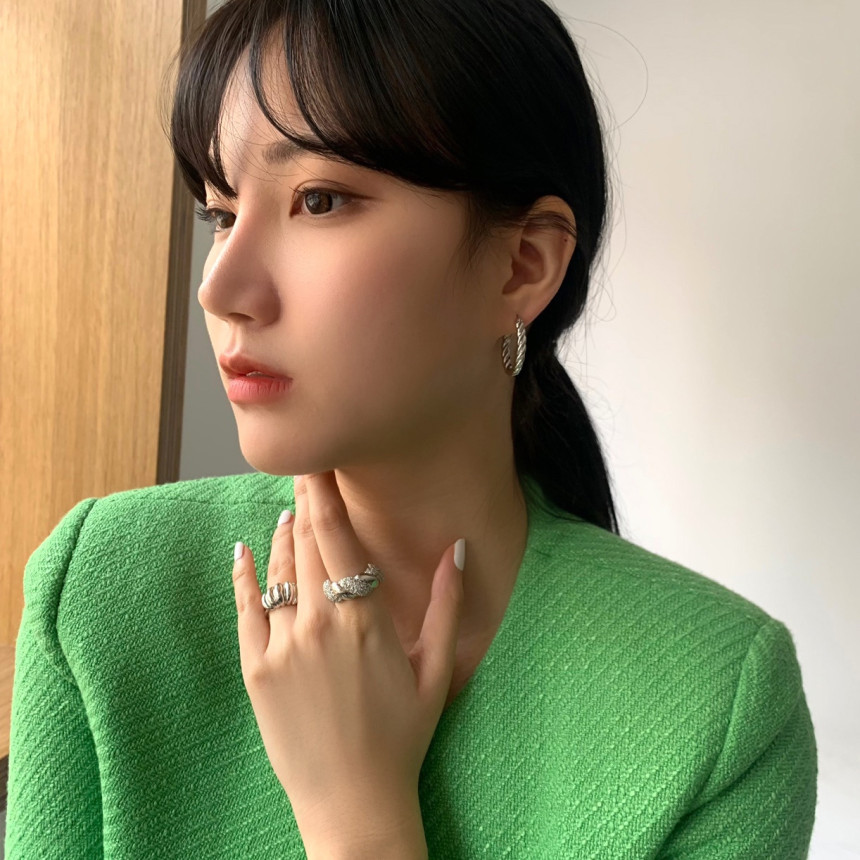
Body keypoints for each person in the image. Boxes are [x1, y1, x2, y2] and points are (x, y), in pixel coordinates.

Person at [4, 0, 817, 857]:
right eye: (222, 213)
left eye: (318, 200)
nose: (221, 287)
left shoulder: (719, 703)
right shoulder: (101, 589)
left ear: (522, 264)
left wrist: (356, 812)